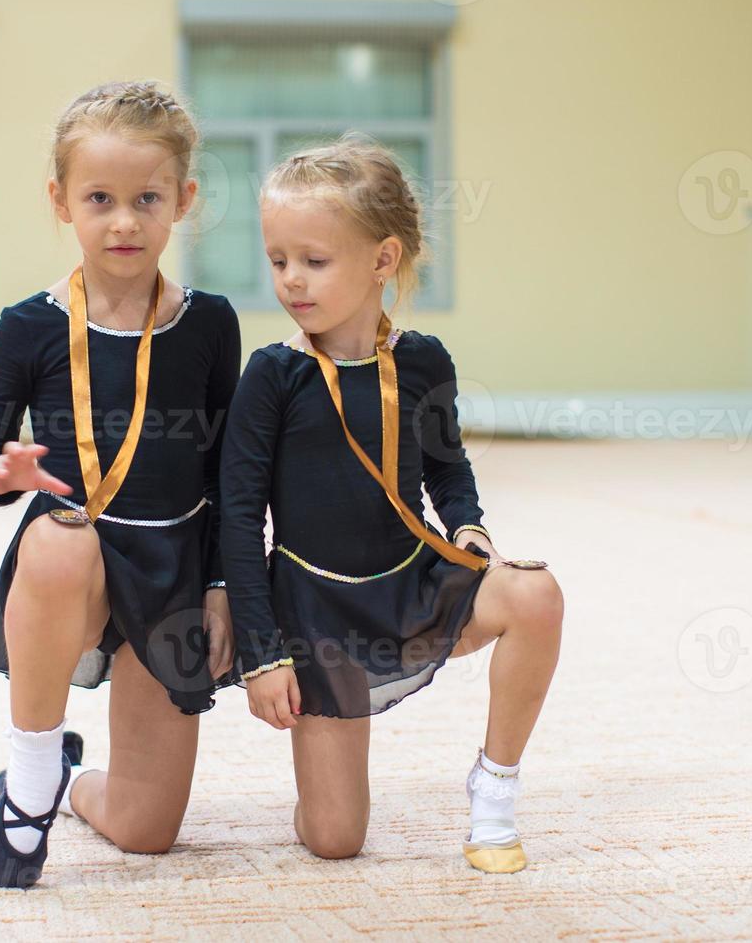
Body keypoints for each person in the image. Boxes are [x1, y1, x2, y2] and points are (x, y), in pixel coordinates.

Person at [219, 134, 564, 873]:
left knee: (535, 595)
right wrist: (262, 654)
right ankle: (82, 782)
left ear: (382, 260)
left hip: (410, 584)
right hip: (317, 614)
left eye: (314, 261)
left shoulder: (423, 360)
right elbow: (240, 520)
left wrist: (469, 525)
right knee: (335, 839)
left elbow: (447, 467)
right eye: (278, 260)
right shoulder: (272, 376)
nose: (291, 281)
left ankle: (495, 785)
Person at [0, 80, 240, 889]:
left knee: (148, 833)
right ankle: (33, 771)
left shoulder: (211, 323)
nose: (124, 220)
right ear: (61, 202)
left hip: (172, 567)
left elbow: (227, 473)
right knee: (54, 533)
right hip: (71, 566)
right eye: (100, 199)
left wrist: (220, 585)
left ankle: (69, 785)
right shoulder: (30, 325)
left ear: (183, 200)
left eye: (147, 198)